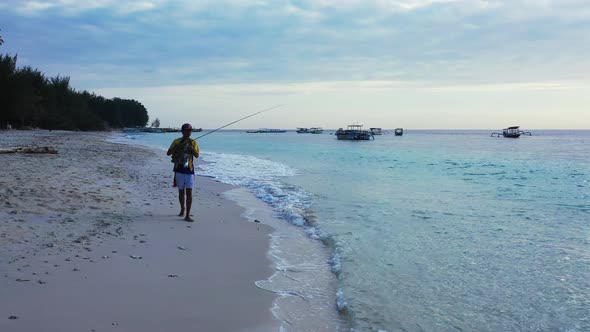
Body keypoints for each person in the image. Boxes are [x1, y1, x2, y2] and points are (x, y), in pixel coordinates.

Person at [167, 123, 200, 222]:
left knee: (189, 192)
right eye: (186, 130)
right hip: (179, 169)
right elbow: (168, 153)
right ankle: (182, 209)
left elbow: (197, 155)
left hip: (189, 170)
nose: (188, 132)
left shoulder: (193, 142)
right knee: (181, 192)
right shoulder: (176, 141)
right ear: (182, 131)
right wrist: (178, 146)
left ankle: (188, 215)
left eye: (190, 130)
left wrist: (192, 149)